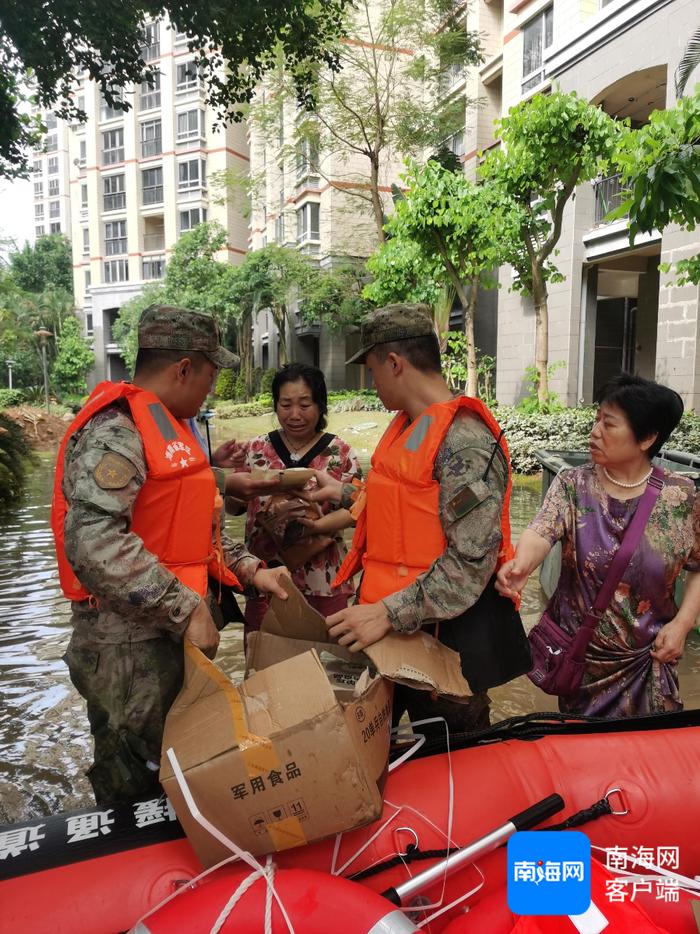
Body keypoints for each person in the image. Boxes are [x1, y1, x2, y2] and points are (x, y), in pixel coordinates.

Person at [51, 304, 289, 805]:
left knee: (176, 765)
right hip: (127, 649)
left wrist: (250, 570)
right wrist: (185, 609)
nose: (212, 388)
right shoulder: (118, 432)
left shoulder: (172, 430)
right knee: (133, 781)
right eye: (210, 374)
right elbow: (93, 542)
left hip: (167, 634)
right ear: (184, 368)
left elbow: (194, 532)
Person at [307, 304, 517, 735]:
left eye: (371, 369)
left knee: (454, 762)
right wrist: (344, 493)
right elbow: (407, 506)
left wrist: (386, 613)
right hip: (387, 628)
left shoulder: (464, 444)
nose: (372, 381)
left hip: (443, 644)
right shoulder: (408, 424)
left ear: (395, 363)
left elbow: (469, 563)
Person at [496, 373, 700, 718]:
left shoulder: (681, 497)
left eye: (609, 424)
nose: (594, 432)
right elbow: (540, 532)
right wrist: (521, 565)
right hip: (580, 664)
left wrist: (681, 625)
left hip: (649, 662)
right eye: (596, 420)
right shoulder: (572, 485)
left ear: (647, 438)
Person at [222, 363, 362, 642]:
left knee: (328, 665)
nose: (295, 414)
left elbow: (356, 512)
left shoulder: (341, 452)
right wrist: (234, 483)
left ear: (320, 406)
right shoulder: (255, 449)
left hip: (324, 581)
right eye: (285, 405)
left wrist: (312, 527)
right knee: (265, 667)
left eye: (305, 404)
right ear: (275, 406)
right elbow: (234, 509)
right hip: (267, 577)